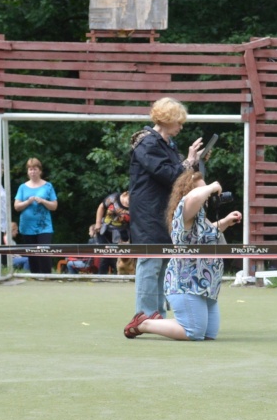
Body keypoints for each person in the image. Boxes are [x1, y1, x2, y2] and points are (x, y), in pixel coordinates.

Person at [123, 170, 242, 340]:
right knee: (194, 332)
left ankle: (157, 321)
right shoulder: (184, 209)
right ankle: (144, 323)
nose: (207, 194)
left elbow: (206, 235)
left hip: (205, 285)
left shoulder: (200, 216)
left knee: (209, 334)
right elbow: (193, 198)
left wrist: (225, 222)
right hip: (186, 283)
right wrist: (212, 186)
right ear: (188, 192)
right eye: (202, 190)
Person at [128, 97, 204, 319]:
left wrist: (195, 161)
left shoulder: (166, 144)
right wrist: (189, 161)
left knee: (161, 263)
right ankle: (144, 315)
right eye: (178, 122)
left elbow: (180, 173)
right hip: (148, 212)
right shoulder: (147, 143)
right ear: (168, 120)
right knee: (150, 263)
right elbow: (170, 174)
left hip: (163, 210)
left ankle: (157, 314)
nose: (181, 127)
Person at [14, 157, 58, 274]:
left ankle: (47, 276)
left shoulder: (48, 186)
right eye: (30, 169)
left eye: (35, 169)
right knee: (31, 254)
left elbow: (54, 206)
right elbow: (17, 206)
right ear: (27, 172)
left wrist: (43, 201)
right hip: (27, 226)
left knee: (44, 252)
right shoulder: (22, 187)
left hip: (44, 226)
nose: (32, 172)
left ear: (40, 171)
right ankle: (35, 276)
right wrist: (27, 202)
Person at [94, 190, 131, 275]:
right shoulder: (113, 198)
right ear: (125, 195)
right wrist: (98, 223)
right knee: (105, 254)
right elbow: (101, 207)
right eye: (129, 200)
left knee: (118, 255)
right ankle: (101, 276)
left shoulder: (135, 204)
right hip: (106, 230)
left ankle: (117, 276)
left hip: (122, 232)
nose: (129, 203)